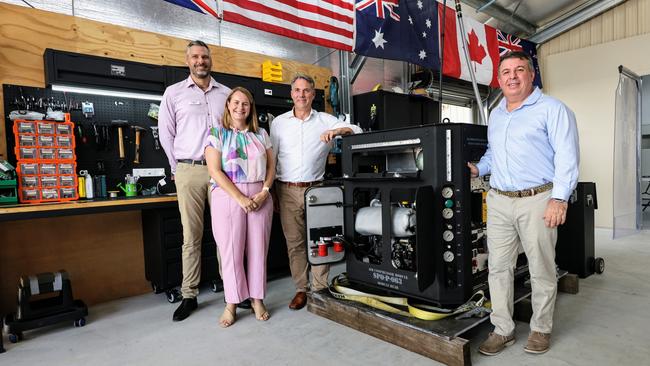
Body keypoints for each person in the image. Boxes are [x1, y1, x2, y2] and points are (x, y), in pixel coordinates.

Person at [468, 51, 579, 356]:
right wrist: (479, 168)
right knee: (498, 269)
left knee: (540, 268)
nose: (513, 76)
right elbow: (493, 153)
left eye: (520, 70)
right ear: (499, 79)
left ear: (531, 75)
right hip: (500, 201)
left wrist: (559, 198)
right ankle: (503, 329)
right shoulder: (497, 114)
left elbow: (567, 157)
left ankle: (541, 328)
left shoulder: (552, 109)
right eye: (506, 72)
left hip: (538, 199)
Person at [159, 40, 239, 322]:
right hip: (189, 170)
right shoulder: (174, 93)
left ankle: (232, 291)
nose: (200, 61)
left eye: (204, 56)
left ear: (210, 59)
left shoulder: (227, 95)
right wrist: (176, 168)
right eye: (195, 57)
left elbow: (234, 133)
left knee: (225, 234)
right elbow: (166, 133)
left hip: (223, 173)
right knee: (191, 236)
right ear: (187, 61)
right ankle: (189, 294)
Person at [270, 74, 362, 310]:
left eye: (306, 90)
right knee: (295, 244)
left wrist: (340, 130)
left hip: (317, 189)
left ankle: (320, 288)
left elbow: (357, 129)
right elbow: (271, 158)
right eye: (297, 90)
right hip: (286, 189)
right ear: (291, 94)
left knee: (320, 240)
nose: (302, 94)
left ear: (313, 94)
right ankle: (302, 289)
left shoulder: (324, 120)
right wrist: (272, 192)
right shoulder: (279, 123)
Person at [205, 87, 275, 328]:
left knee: (258, 250)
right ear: (228, 105)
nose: (240, 107)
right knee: (231, 252)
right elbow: (214, 170)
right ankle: (231, 303)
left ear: (250, 108)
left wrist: (265, 192)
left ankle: (257, 299)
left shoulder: (262, 134)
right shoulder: (217, 133)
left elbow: (271, 168)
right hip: (227, 195)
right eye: (236, 103)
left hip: (260, 195)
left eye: (245, 103)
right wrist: (240, 198)